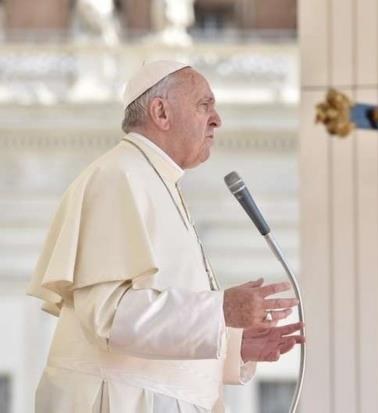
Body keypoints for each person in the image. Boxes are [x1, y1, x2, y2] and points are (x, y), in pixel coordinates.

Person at [28, 60, 304, 412]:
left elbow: (160, 335)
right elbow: (108, 316)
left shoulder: (156, 180)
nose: (217, 119)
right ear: (161, 112)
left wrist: (233, 345)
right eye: (205, 106)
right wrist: (221, 310)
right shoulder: (119, 177)